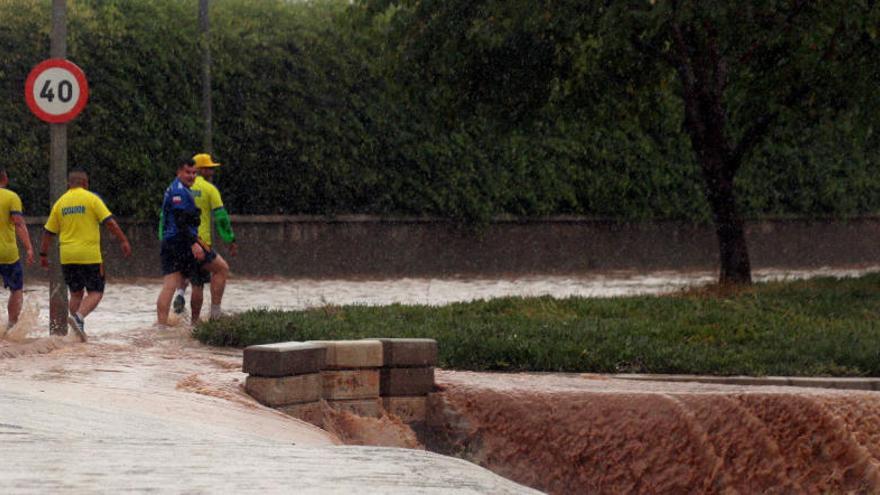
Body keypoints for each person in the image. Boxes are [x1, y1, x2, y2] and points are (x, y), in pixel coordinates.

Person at [40, 170, 132, 342]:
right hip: (89, 256)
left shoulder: (60, 203)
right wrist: (123, 240)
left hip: (67, 256)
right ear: (86, 183)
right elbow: (109, 222)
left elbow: (48, 232)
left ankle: (75, 333)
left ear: (69, 184)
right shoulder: (92, 199)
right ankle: (79, 318)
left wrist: (43, 254)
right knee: (96, 292)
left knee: (76, 293)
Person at [156, 156, 229, 326]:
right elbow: (181, 221)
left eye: (194, 173)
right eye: (187, 172)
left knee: (170, 285)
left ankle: (161, 328)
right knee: (221, 269)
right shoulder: (180, 191)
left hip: (170, 243)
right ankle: (214, 317)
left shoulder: (174, 188)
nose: (191, 176)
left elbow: (169, 218)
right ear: (179, 172)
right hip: (185, 241)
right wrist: (193, 243)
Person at [0, 169, 34, 333]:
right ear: (5, 179)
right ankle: (11, 326)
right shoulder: (11, 197)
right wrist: (28, 247)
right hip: (7, 253)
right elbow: (19, 223)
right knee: (16, 289)